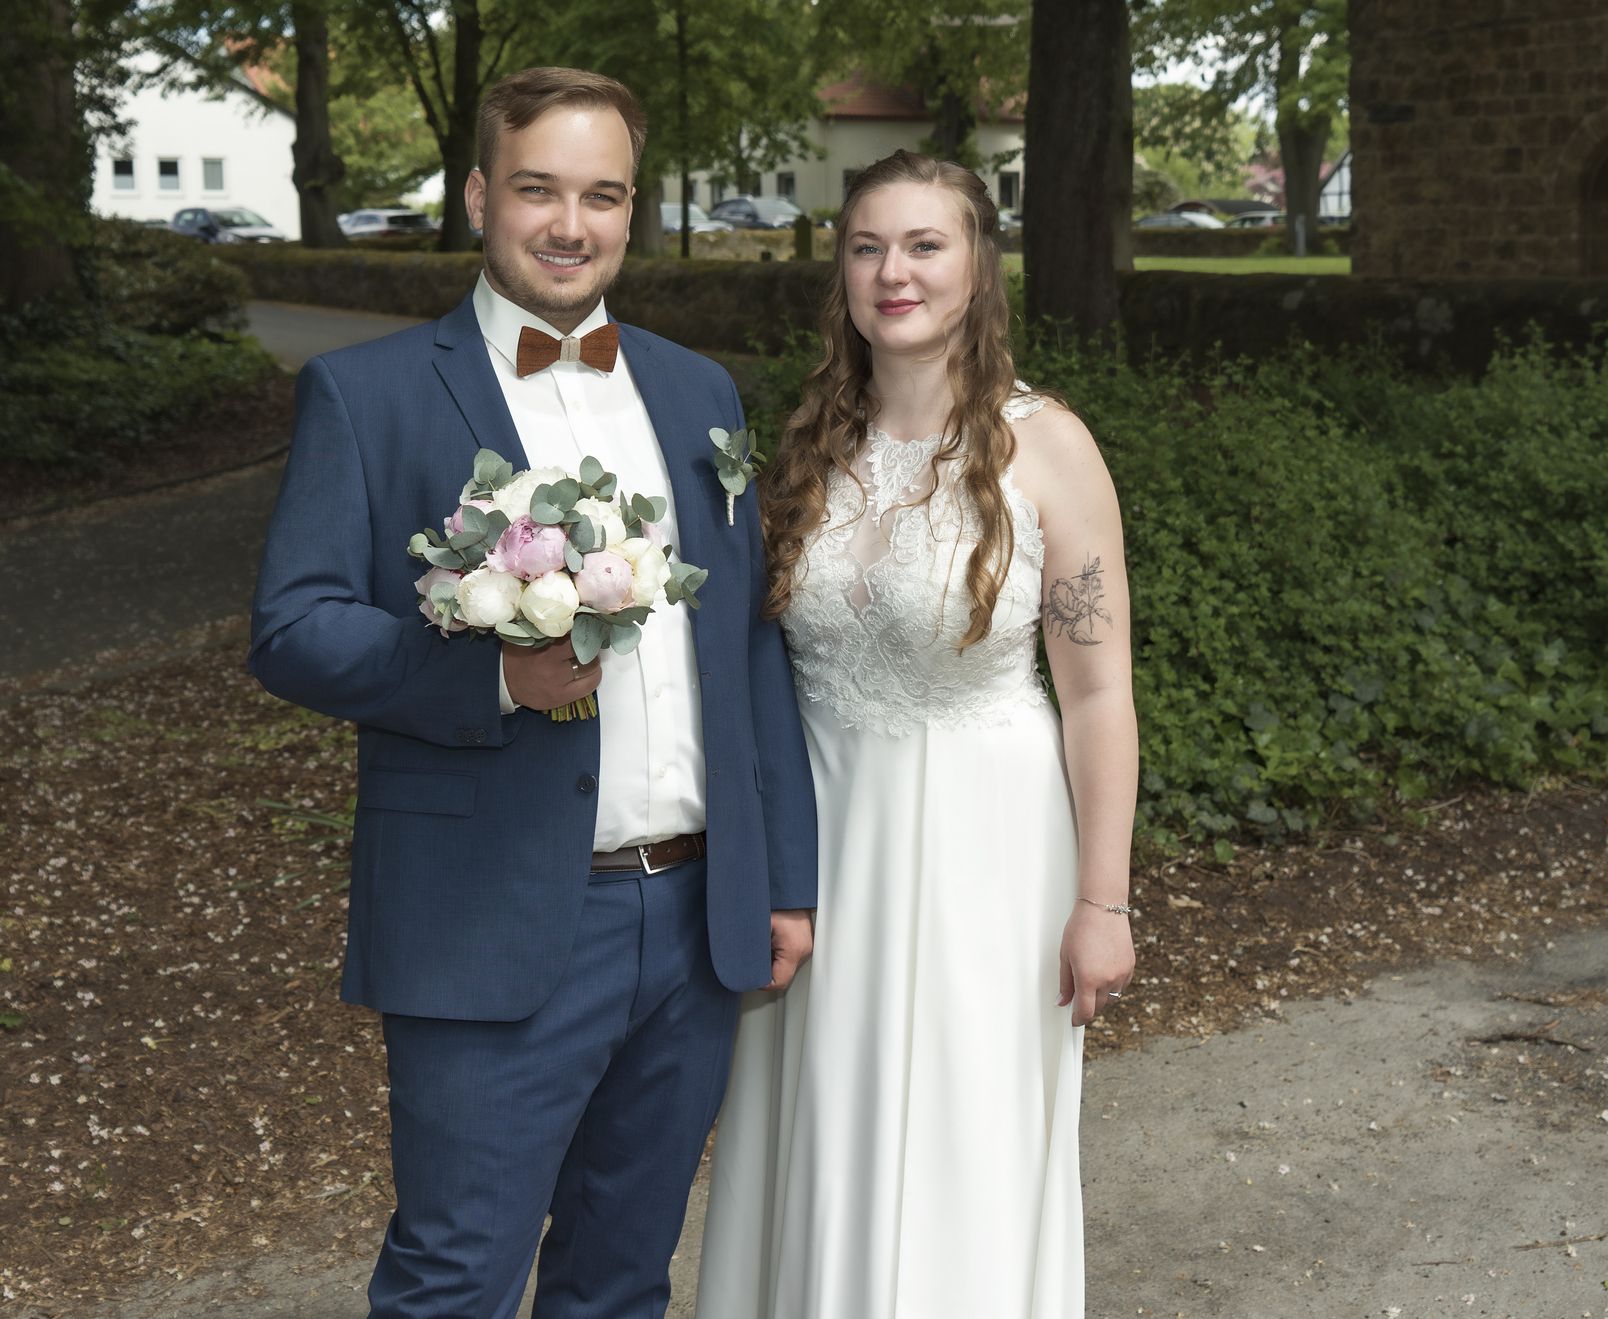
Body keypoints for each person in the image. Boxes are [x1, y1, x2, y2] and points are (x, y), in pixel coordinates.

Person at [247, 67, 817, 1318]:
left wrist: (781, 875)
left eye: (601, 195)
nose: (570, 224)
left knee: (621, 1279)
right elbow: (293, 628)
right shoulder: (370, 393)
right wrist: (493, 676)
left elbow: (748, 645)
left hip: (693, 918)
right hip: (485, 912)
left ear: (631, 211)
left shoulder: (699, 391)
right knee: (454, 1278)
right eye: (538, 190)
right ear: (478, 196)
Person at [696, 150, 1138, 1317]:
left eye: (925, 244)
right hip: (825, 845)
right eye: (867, 246)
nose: (894, 271)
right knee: (819, 1127)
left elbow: (1099, 693)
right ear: (841, 271)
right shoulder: (808, 446)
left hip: (987, 852)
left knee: (963, 1135)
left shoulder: (1048, 444)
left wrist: (1103, 902)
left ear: (979, 265)